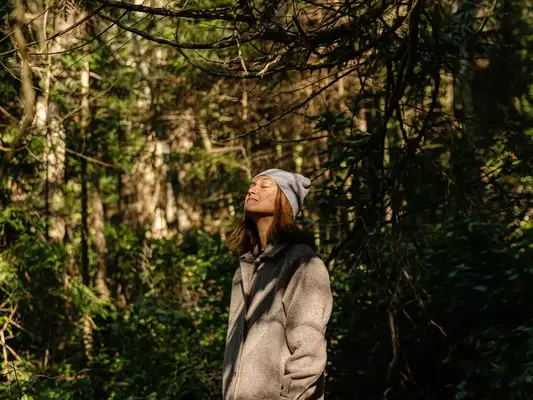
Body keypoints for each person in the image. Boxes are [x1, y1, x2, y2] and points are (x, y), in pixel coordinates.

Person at [223, 169, 333, 400]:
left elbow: (309, 353)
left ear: (285, 201)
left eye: (265, 185)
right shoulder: (243, 271)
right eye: (251, 185)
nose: (252, 190)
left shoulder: (303, 263)